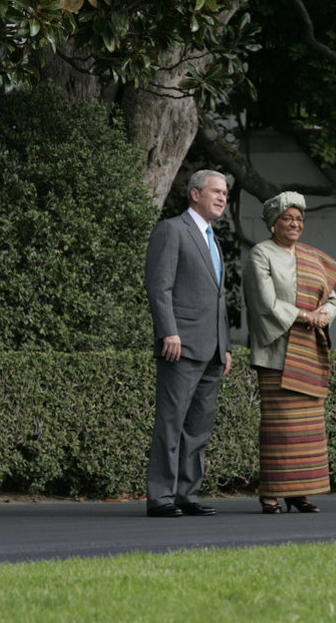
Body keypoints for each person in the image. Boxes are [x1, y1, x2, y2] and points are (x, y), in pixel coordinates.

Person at [243, 191, 336, 514]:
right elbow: (265, 303)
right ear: (274, 223)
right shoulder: (261, 254)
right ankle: (271, 494)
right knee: (280, 428)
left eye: (299, 219)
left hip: (308, 353)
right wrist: (305, 316)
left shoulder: (311, 257)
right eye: (288, 218)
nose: (295, 224)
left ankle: (299, 493)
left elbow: (332, 298)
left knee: (307, 429)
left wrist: (324, 314)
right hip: (277, 355)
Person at [144, 170, 232, 518]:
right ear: (195, 194)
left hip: (211, 350)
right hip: (179, 345)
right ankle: (161, 497)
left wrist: (224, 346)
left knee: (198, 427)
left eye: (225, 192)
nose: (223, 197)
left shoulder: (214, 239)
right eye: (216, 191)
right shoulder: (171, 230)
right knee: (171, 422)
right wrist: (169, 331)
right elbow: (159, 286)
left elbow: (218, 298)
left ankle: (186, 493)